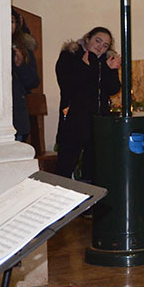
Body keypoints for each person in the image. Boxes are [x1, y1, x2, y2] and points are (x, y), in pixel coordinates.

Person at [54, 26, 121, 184]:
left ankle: (90, 205)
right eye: (97, 41)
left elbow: (113, 89)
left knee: (92, 171)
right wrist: (85, 67)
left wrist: (110, 70)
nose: (100, 46)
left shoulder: (104, 62)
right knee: (65, 166)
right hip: (73, 121)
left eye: (105, 45)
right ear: (87, 38)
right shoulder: (70, 55)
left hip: (97, 122)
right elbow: (67, 84)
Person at [11, 8, 40, 143]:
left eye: (11, 21)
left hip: (16, 115)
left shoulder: (22, 48)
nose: (7, 25)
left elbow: (33, 82)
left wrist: (20, 65)